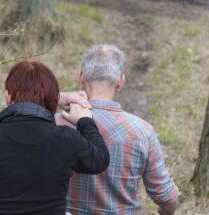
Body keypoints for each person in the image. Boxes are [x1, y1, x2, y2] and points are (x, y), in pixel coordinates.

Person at [0, 61, 110, 215]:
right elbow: (100, 159)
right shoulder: (66, 140)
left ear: (7, 96)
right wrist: (85, 120)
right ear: (53, 99)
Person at [56, 44, 179, 215]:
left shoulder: (55, 124)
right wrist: (166, 212)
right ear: (120, 81)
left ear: (81, 77)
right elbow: (165, 195)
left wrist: (56, 96)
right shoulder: (143, 131)